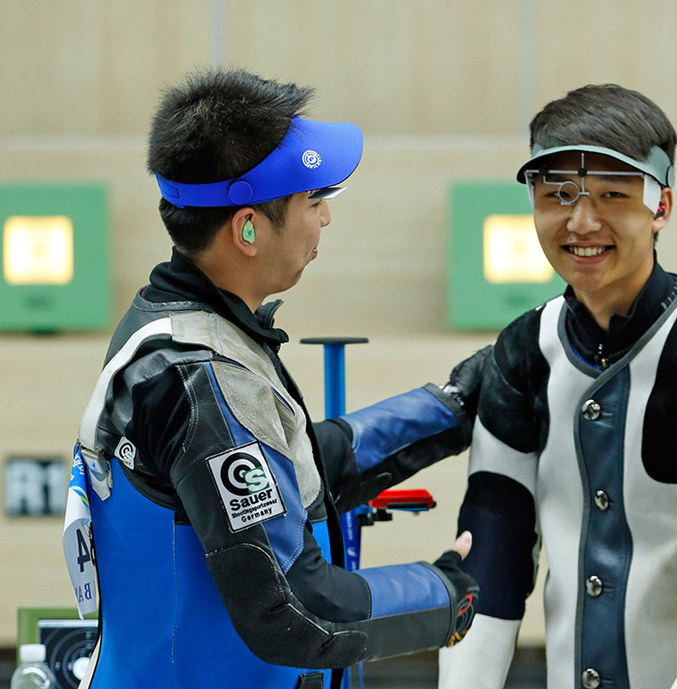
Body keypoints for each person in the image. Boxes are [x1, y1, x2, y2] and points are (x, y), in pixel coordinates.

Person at [68, 67, 483, 689]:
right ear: (247, 228)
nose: (325, 220)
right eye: (314, 201)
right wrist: (446, 594)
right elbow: (297, 610)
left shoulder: (180, 326)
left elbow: (287, 471)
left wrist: (453, 407)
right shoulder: (202, 378)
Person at [438, 84, 677, 689]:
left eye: (613, 194)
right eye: (557, 194)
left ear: (661, 207)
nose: (581, 220)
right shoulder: (519, 354)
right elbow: (490, 566)